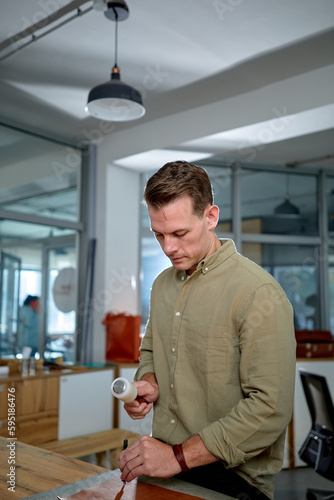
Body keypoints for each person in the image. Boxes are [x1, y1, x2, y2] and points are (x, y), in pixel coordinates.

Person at [119, 161, 296, 500]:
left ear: (210, 217)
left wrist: (177, 457)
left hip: (232, 479)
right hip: (167, 464)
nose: (168, 247)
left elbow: (269, 409)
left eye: (180, 233)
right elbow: (152, 352)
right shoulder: (162, 285)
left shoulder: (259, 293)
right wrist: (150, 383)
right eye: (159, 234)